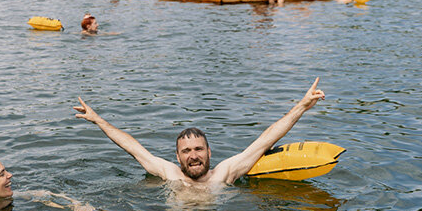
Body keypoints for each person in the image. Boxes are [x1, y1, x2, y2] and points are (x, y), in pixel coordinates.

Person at [73, 78, 326, 186]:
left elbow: (266, 139)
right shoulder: (170, 174)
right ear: (177, 156)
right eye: (186, 151)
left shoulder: (225, 174)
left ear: (209, 151)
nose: (193, 156)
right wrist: (97, 120)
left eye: (198, 149)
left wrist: (302, 106)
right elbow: (132, 147)